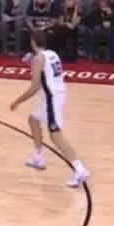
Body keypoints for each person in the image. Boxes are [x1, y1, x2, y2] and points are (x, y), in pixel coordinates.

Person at [10, 30, 90, 188]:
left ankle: (80, 169)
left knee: (55, 136)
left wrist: (17, 101)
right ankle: (38, 156)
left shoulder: (38, 58)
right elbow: (46, 74)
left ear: (33, 42)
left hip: (52, 99)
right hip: (55, 94)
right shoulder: (52, 54)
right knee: (33, 119)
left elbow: (34, 87)